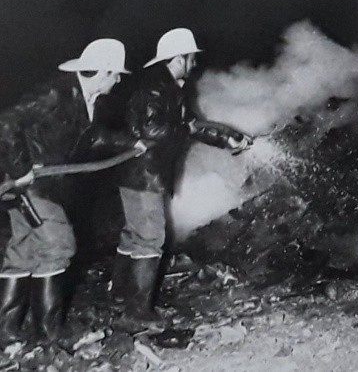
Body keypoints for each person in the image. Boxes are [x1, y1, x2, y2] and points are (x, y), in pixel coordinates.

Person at [0, 39, 141, 346]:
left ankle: (6, 331)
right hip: (32, 184)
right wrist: (21, 170)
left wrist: (132, 143)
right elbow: (6, 123)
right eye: (116, 74)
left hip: (44, 185)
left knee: (24, 249)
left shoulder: (89, 100)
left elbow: (93, 136)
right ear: (103, 72)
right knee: (58, 245)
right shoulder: (56, 93)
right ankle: (48, 334)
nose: (118, 80)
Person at [111, 28, 252, 329]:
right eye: (191, 58)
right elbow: (151, 130)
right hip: (144, 174)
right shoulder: (155, 87)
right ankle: (137, 312)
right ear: (178, 58)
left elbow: (190, 124)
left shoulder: (170, 86)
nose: (194, 63)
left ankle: (120, 293)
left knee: (134, 234)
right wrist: (186, 129)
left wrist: (227, 137)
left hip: (145, 174)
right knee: (150, 237)